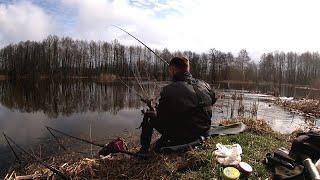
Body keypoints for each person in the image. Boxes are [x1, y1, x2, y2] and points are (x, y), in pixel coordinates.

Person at [139, 56, 217, 153]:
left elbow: (162, 118)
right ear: (188, 69)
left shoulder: (169, 90)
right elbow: (213, 100)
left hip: (183, 137)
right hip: (204, 131)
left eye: (169, 70)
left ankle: (143, 151)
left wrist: (154, 111)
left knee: (149, 116)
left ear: (172, 70)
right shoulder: (205, 84)